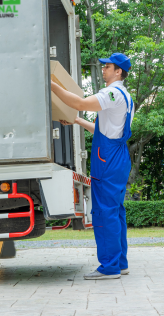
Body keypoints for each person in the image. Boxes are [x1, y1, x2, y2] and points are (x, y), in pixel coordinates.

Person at [51, 52, 134, 280]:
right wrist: (76, 120)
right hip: (117, 157)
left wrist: (51, 85)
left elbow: (79, 103)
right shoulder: (125, 96)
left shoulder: (112, 93)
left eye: (108, 66)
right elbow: (103, 130)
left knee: (104, 212)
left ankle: (109, 268)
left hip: (106, 159)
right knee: (115, 211)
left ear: (119, 71)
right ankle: (120, 263)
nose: (103, 69)